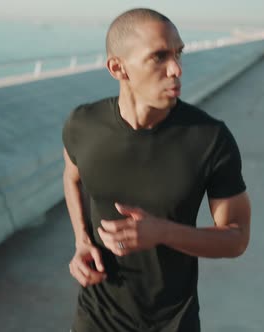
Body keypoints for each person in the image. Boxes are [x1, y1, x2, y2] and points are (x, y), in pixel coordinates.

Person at [62, 8, 251, 332]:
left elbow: (237, 237)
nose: (176, 69)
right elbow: (72, 176)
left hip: (172, 323)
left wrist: (162, 232)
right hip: (95, 318)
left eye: (178, 54)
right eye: (159, 57)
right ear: (117, 68)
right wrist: (82, 240)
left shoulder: (210, 138)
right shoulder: (83, 123)